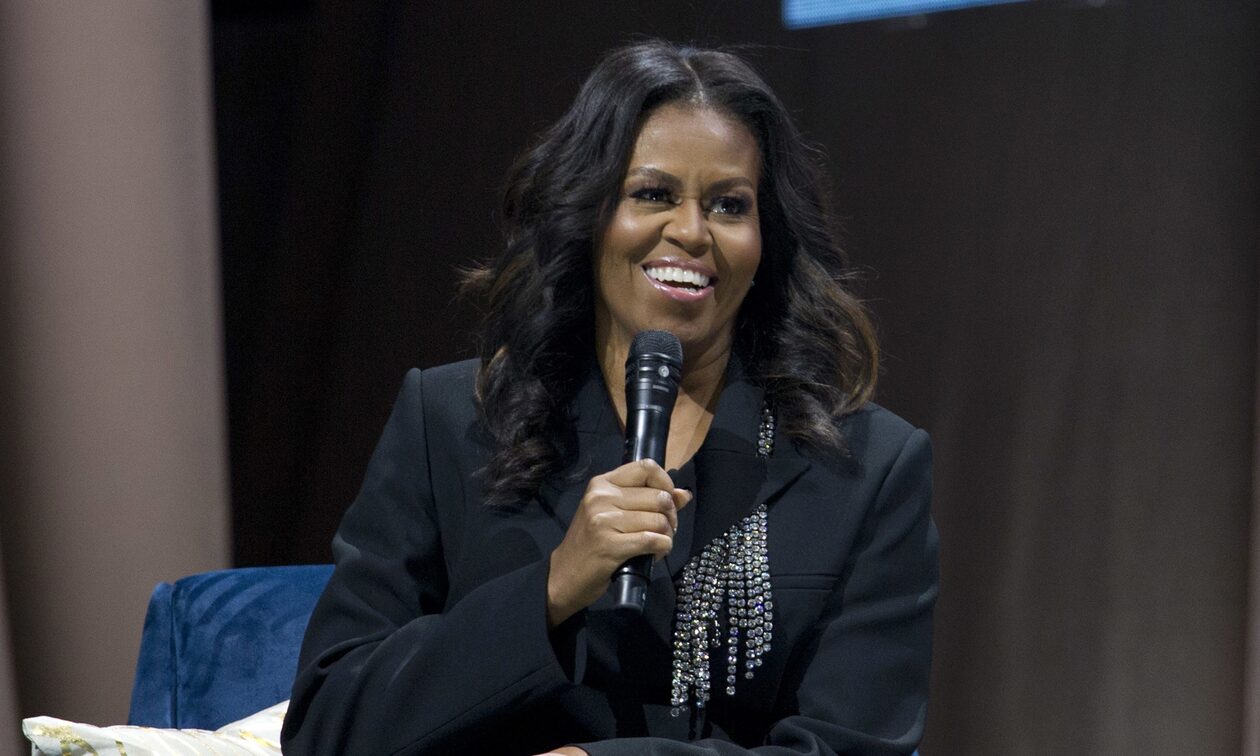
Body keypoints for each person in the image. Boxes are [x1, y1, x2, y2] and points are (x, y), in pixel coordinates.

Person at [281, 40, 938, 756]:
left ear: (765, 237)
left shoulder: (866, 467)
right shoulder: (451, 423)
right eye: (652, 194)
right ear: (589, 212)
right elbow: (329, 726)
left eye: (728, 205)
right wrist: (553, 588)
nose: (690, 232)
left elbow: (852, 746)